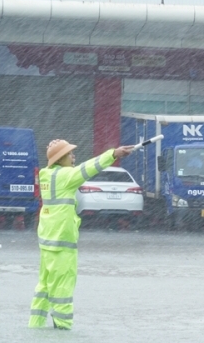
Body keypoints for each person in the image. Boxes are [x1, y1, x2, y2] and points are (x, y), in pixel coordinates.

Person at [29, 139, 135, 330]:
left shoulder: (46, 175)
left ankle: (35, 326)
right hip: (62, 243)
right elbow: (89, 167)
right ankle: (62, 330)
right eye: (70, 154)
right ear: (61, 158)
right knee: (63, 289)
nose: (73, 156)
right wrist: (113, 154)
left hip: (47, 242)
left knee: (44, 287)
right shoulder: (67, 177)